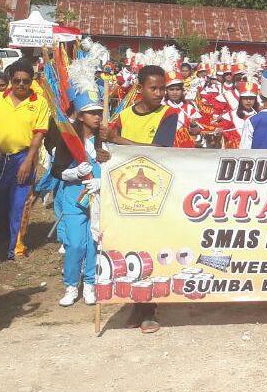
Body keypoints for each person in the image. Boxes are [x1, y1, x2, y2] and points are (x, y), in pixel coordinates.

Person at [108, 65, 183, 333]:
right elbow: (107, 145)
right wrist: (109, 145)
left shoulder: (169, 113)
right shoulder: (123, 116)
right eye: (154, 88)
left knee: (151, 249)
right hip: (127, 193)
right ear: (140, 88)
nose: (160, 93)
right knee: (130, 248)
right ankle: (136, 304)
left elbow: (161, 150)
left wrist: (120, 140)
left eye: (163, 87)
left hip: (157, 192)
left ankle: (149, 309)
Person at [0, 59, 50, 260]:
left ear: (31, 81)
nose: (21, 85)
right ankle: (3, 232)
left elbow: (39, 133)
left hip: (23, 156)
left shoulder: (39, 102)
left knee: (20, 203)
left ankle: (16, 247)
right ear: (11, 80)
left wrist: (29, 160)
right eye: (17, 80)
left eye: (26, 81)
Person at [50, 78, 109, 306]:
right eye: (91, 112)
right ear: (81, 115)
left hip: (98, 198)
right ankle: (71, 284)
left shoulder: (105, 140)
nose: (97, 117)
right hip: (74, 199)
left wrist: (102, 181)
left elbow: (117, 167)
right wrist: (73, 173)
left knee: (95, 242)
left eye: (99, 112)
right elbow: (56, 170)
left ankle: (92, 283)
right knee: (75, 243)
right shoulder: (68, 139)